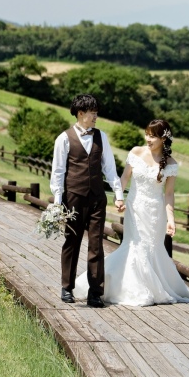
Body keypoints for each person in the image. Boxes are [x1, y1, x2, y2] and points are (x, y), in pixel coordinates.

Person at [74, 118, 189, 306]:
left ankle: (155, 287)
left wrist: (171, 219)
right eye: (147, 134)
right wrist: (118, 197)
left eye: (153, 136)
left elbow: (169, 195)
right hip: (135, 208)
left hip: (155, 213)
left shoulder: (171, 163)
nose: (148, 139)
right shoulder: (136, 152)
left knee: (152, 249)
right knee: (134, 245)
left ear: (163, 139)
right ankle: (129, 287)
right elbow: (124, 178)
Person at [50, 94, 125, 307]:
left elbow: (110, 168)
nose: (96, 117)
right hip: (73, 198)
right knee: (71, 242)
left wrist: (118, 195)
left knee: (96, 245)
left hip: (97, 199)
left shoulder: (102, 137)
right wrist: (58, 202)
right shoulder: (63, 138)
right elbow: (58, 172)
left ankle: (95, 292)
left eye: (96, 113)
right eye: (93, 113)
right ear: (81, 114)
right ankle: (67, 287)